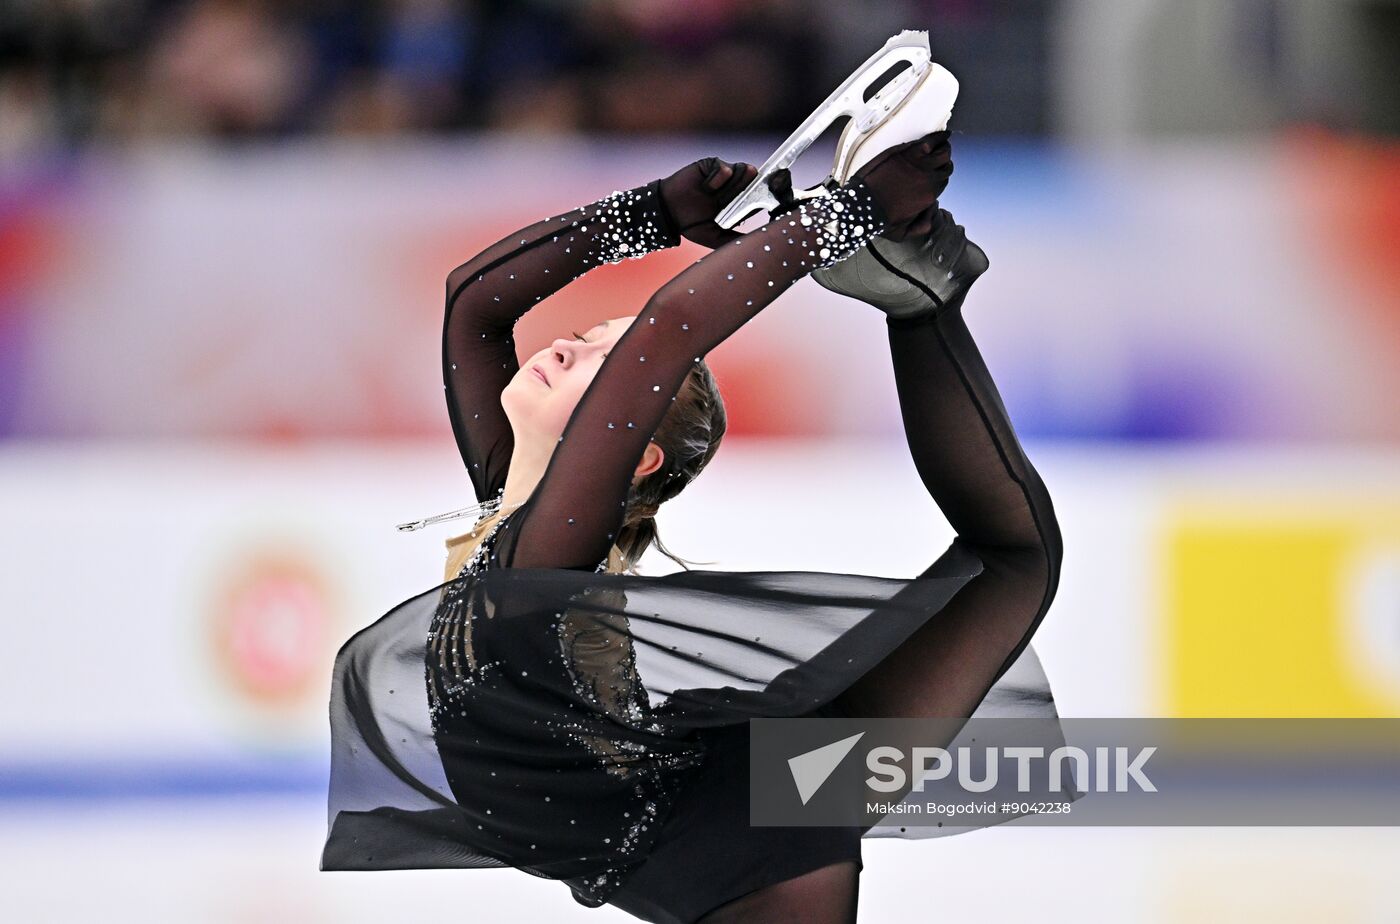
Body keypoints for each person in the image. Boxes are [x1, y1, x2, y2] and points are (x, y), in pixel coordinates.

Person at [321, 131, 1065, 923]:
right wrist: (657, 211)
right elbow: (474, 299)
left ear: (630, 454)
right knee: (1014, 558)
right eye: (582, 340)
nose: (566, 346)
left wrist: (856, 210)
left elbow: (669, 329)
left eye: (599, 368)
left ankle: (919, 306)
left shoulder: (543, 557)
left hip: (750, 840)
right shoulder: (516, 521)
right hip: (737, 808)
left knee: (1014, 558)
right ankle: (919, 303)